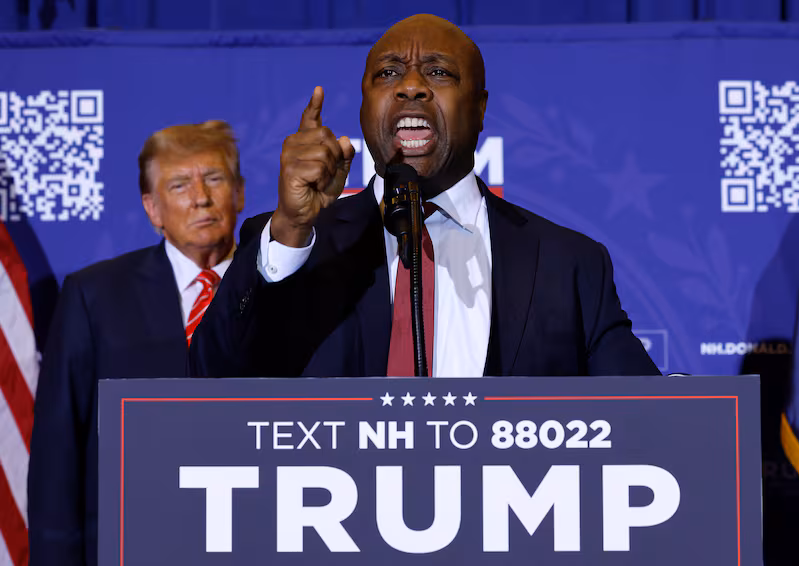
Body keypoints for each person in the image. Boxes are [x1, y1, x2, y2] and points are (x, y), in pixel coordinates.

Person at [189, 14, 659, 379]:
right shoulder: (291, 243)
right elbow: (207, 386)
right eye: (388, 73)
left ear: (479, 109)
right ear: (363, 106)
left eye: (438, 72)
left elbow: (649, 419)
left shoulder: (569, 263)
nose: (410, 86)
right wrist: (291, 229)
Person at [27, 120, 245, 566]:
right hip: (128, 549)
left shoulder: (278, 287)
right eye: (180, 185)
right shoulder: (95, 296)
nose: (201, 197)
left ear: (239, 193)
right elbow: (58, 456)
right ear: (152, 209)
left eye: (215, 179)